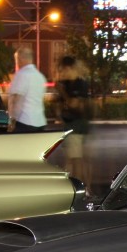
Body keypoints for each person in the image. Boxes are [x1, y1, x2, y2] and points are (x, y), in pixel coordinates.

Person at [54, 55, 93, 198]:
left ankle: (80, 190)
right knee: (76, 160)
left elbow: (73, 104)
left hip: (76, 125)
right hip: (72, 125)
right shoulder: (67, 84)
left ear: (69, 68)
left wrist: (62, 93)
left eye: (63, 70)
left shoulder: (78, 84)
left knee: (76, 160)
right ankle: (84, 189)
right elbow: (58, 108)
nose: (62, 73)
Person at [7, 46, 47, 133]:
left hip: (24, 121)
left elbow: (15, 100)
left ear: (20, 59)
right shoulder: (40, 76)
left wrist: (11, 121)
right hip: (40, 121)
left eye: (16, 60)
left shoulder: (21, 75)